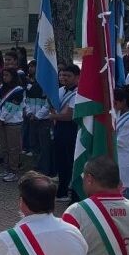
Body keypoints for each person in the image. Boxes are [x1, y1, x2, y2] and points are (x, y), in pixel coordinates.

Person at [51, 65, 80, 201]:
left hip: (71, 129)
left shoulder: (78, 92)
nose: (63, 78)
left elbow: (69, 115)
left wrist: (53, 116)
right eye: (61, 75)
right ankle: (62, 189)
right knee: (61, 160)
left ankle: (66, 190)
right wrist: (56, 116)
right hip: (59, 128)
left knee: (69, 161)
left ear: (77, 77)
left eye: (67, 75)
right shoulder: (61, 90)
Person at [0, 67, 26, 182]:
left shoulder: (18, 90)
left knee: (13, 148)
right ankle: (6, 169)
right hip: (1, 121)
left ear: (13, 76)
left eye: (7, 75)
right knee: (5, 147)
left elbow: (12, 107)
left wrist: (2, 118)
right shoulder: (2, 88)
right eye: (3, 75)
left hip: (13, 122)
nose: (4, 77)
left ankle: (14, 171)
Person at [113, 86, 129, 200]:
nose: (113, 105)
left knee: (126, 190)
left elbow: (121, 142)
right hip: (119, 157)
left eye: (115, 102)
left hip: (125, 159)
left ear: (123, 101)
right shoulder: (120, 114)